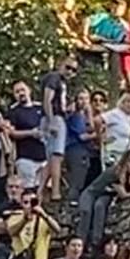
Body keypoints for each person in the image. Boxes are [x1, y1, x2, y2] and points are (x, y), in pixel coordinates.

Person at [40, 55, 77, 201]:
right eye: (68, 67)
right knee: (56, 156)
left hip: (59, 116)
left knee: (53, 158)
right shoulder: (53, 78)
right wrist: (51, 121)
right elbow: (47, 100)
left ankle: (41, 190)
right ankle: (55, 191)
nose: (70, 72)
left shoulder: (62, 83)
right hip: (54, 118)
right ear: (60, 64)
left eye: (73, 70)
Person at [6, 81, 46, 191]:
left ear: (29, 90)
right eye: (17, 91)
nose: (21, 93)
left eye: (23, 90)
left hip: (44, 155)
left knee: (44, 189)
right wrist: (31, 133)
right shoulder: (13, 111)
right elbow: (12, 133)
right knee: (28, 190)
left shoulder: (40, 108)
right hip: (25, 157)